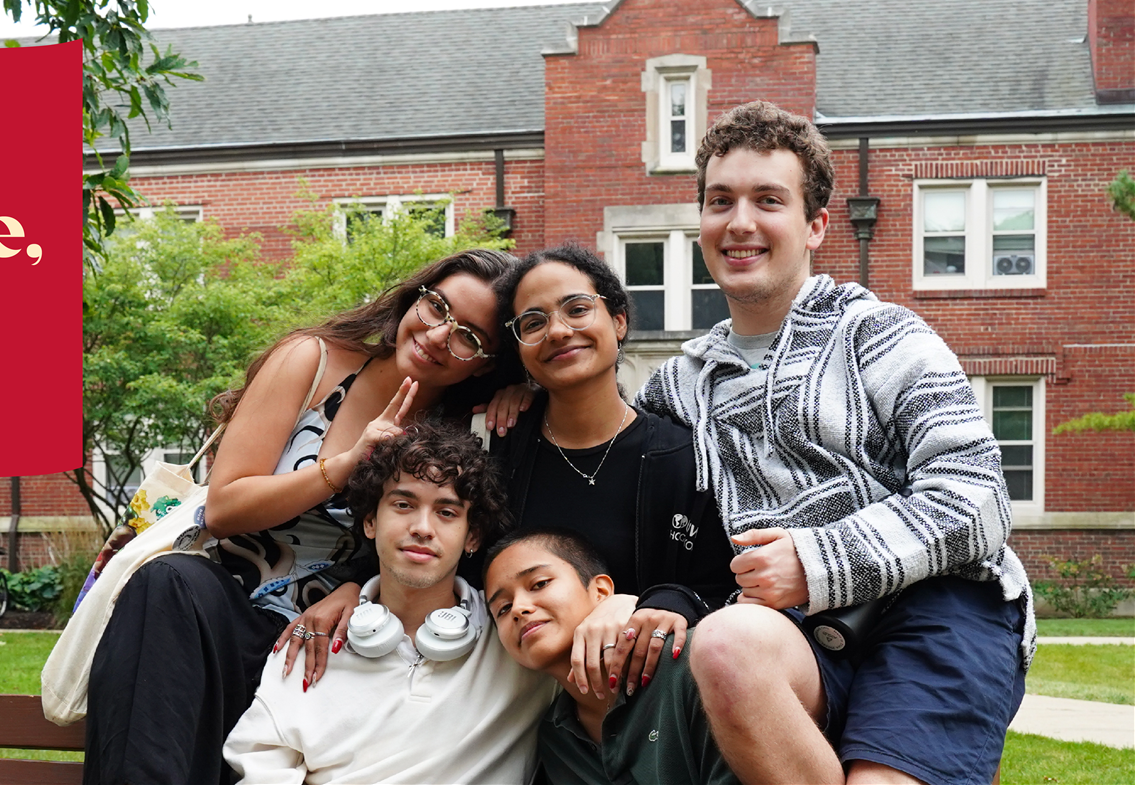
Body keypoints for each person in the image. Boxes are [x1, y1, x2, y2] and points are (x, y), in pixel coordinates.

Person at [637, 100, 1033, 785]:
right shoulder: (679, 384)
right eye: (720, 200)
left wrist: (818, 560)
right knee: (725, 644)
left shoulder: (881, 335)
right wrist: (514, 390)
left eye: (768, 200)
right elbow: (598, 446)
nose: (740, 223)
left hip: (937, 608)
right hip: (798, 635)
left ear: (816, 224)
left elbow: (979, 498)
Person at [81, 248, 517, 785]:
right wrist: (346, 463)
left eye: (468, 336)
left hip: (338, 636)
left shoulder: (462, 426)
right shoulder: (311, 361)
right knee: (168, 582)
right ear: (414, 298)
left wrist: (356, 586)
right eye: (435, 307)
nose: (436, 335)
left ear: (488, 362)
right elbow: (224, 508)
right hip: (224, 606)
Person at [280, 245, 736, 706]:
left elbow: (720, 588)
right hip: (496, 699)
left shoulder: (684, 456)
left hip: (644, 707)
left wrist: (658, 601)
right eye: (533, 323)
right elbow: (426, 523)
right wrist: (356, 583)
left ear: (617, 320)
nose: (557, 331)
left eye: (577, 309)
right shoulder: (491, 441)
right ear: (519, 350)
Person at [225, 422, 555, 784]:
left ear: (472, 535)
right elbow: (260, 769)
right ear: (370, 521)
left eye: (446, 512)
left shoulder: (519, 635)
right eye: (403, 504)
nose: (422, 528)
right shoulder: (310, 640)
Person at [484, 527, 736, 785]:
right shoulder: (556, 738)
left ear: (601, 592)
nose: (519, 608)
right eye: (502, 609)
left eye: (539, 584)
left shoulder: (687, 664)